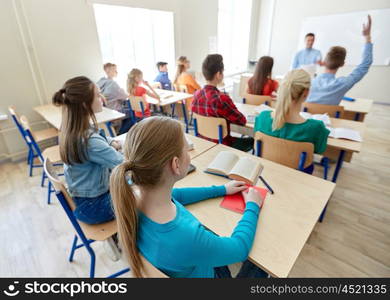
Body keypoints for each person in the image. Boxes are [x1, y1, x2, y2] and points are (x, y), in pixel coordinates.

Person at [110, 116, 267, 278]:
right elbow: (240, 249)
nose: (189, 153)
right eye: (187, 149)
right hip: (204, 271)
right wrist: (252, 206)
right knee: (263, 261)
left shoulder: (133, 196)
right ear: (176, 164)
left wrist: (222, 189)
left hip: (186, 264)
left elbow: (177, 195)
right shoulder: (188, 237)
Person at [52, 76, 123, 224]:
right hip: (95, 206)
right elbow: (123, 164)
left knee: (132, 187)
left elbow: (99, 139)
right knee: (142, 193)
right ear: (85, 104)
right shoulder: (88, 141)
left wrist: (112, 143)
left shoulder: (72, 129)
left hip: (85, 201)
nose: (102, 98)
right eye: (97, 95)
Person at [254, 69, 330, 174]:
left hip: (266, 171)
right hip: (298, 175)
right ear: (306, 93)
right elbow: (319, 150)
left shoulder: (262, 117)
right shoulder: (316, 128)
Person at [192, 54, 254, 152]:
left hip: (203, 142)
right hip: (223, 145)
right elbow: (242, 121)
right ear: (218, 74)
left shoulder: (196, 95)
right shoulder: (222, 99)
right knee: (253, 141)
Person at [307, 15, 373, 105]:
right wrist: (367, 37)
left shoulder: (309, 82)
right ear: (342, 64)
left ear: (324, 62)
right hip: (326, 118)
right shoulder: (343, 83)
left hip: (304, 117)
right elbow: (365, 64)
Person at [97, 63, 132, 134]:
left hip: (105, 114)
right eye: (115, 70)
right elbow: (125, 97)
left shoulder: (100, 82)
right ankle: (120, 133)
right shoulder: (113, 84)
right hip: (115, 113)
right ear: (108, 71)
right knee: (133, 115)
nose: (117, 72)